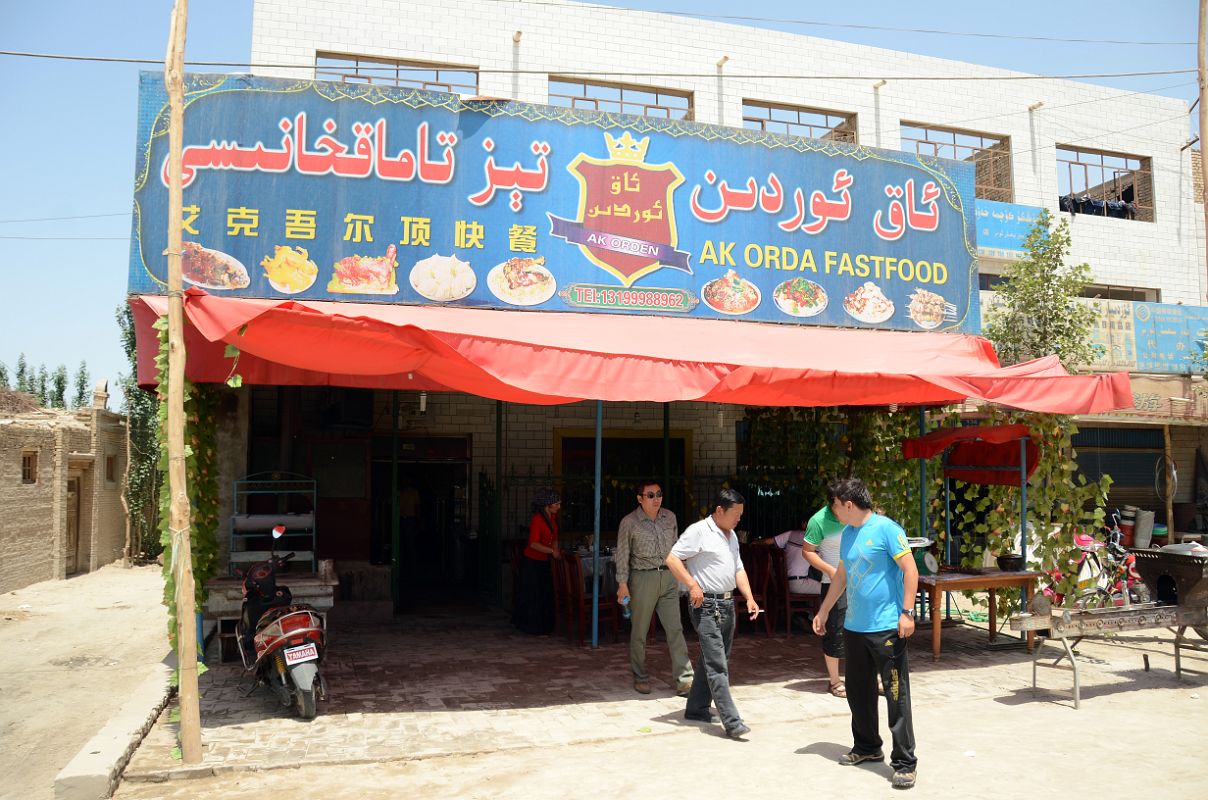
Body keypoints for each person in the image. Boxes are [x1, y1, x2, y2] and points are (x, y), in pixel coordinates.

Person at [812, 477, 919, 790]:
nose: (834, 515)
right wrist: (824, 609)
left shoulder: (887, 529)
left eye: (835, 508)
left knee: (896, 696)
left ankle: (904, 762)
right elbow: (842, 575)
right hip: (854, 627)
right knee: (859, 693)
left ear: (848, 504)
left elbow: (910, 571)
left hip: (887, 627)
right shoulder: (847, 533)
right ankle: (867, 746)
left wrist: (907, 612)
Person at [666, 488, 760, 740]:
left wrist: (749, 598)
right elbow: (673, 559)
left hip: (727, 604)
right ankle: (732, 721)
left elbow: (738, 569)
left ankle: (696, 708)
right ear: (719, 510)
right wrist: (692, 585)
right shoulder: (698, 531)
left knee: (715, 658)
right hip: (705, 605)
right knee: (717, 663)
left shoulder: (731, 536)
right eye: (735, 514)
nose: (739, 518)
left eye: (741, 514)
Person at [615, 480, 693, 696]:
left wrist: (684, 577)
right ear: (640, 499)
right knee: (639, 632)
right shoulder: (629, 522)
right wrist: (622, 585)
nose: (656, 499)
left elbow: (677, 548)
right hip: (642, 578)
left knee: (675, 629)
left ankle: (685, 680)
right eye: (650, 495)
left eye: (659, 494)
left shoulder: (670, 517)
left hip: (668, 577)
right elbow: (622, 554)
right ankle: (640, 676)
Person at [801, 503, 847, 697]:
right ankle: (835, 680)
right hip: (833, 582)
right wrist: (829, 570)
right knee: (835, 631)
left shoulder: (856, 515)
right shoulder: (818, 520)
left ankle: (872, 676)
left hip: (860, 582)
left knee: (866, 630)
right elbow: (807, 551)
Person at [512, 488, 562, 636]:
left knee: (545, 594)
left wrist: (555, 549)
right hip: (532, 562)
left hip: (543, 561)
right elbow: (533, 543)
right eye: (557, 504)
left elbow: (554, 537)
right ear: (548, 505)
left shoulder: (552, 519)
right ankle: (534, 628)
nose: (559, 506)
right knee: (535, 595)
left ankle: (545, 627)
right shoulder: (537, 520)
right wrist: (552, 552)